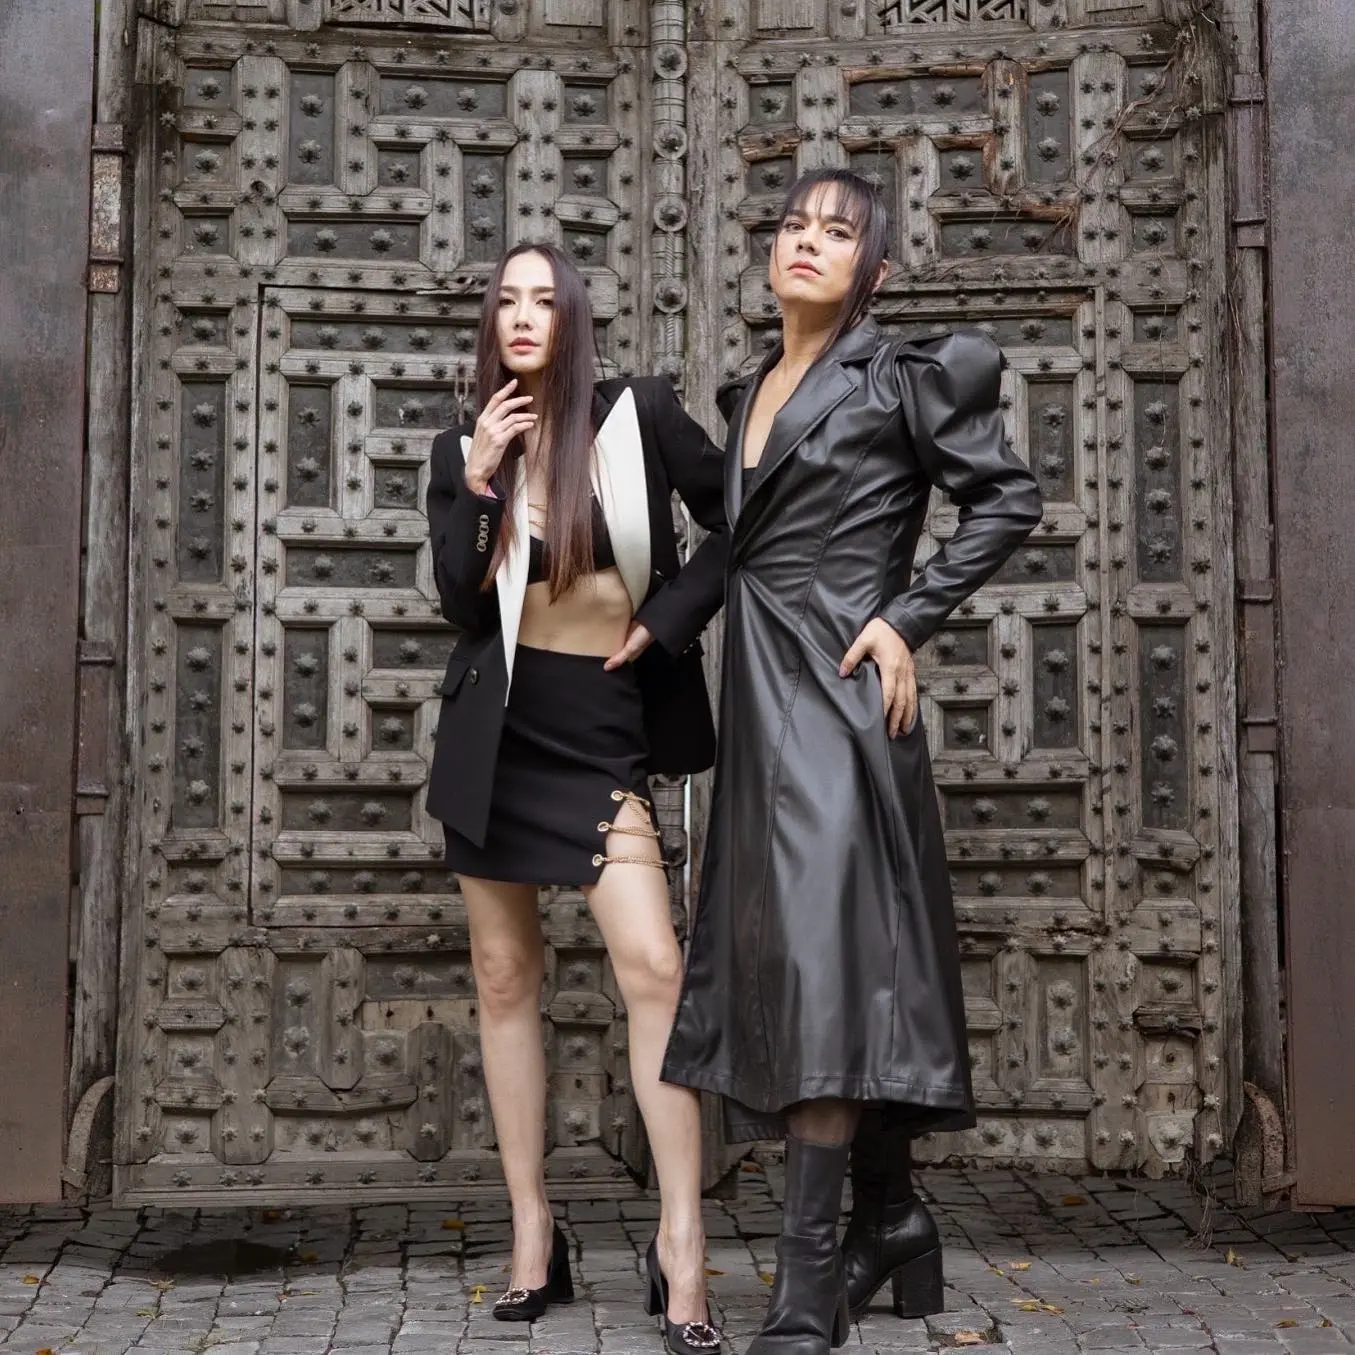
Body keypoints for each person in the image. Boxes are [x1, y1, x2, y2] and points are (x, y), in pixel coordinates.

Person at [660, 169, 1044, 1352]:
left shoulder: (900, 375)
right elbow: (737, 546)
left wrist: (903, 618)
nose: (806, 243)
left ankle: (806, 1283)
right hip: (757, 698)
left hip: (836, 695)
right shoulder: (748, 390)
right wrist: (653, 631)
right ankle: (891, 1218)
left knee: (821, 971)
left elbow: (1005, 500)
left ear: (871, 271)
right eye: (792, 225)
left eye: (837, 232)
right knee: (805, 962)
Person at [425, 240, 725, 1352]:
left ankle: (682, 1244)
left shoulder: (640, 416)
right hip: (498, 737)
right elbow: (461, 603)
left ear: (573, 318)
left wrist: (669, 618)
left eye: (542, 300)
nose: (521, 316)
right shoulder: (464, 441)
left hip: (601, 731)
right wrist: (476, 484)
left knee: (654, 967)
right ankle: (531, 1231)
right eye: (505, 300)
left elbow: (740, 518)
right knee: (505, 976)